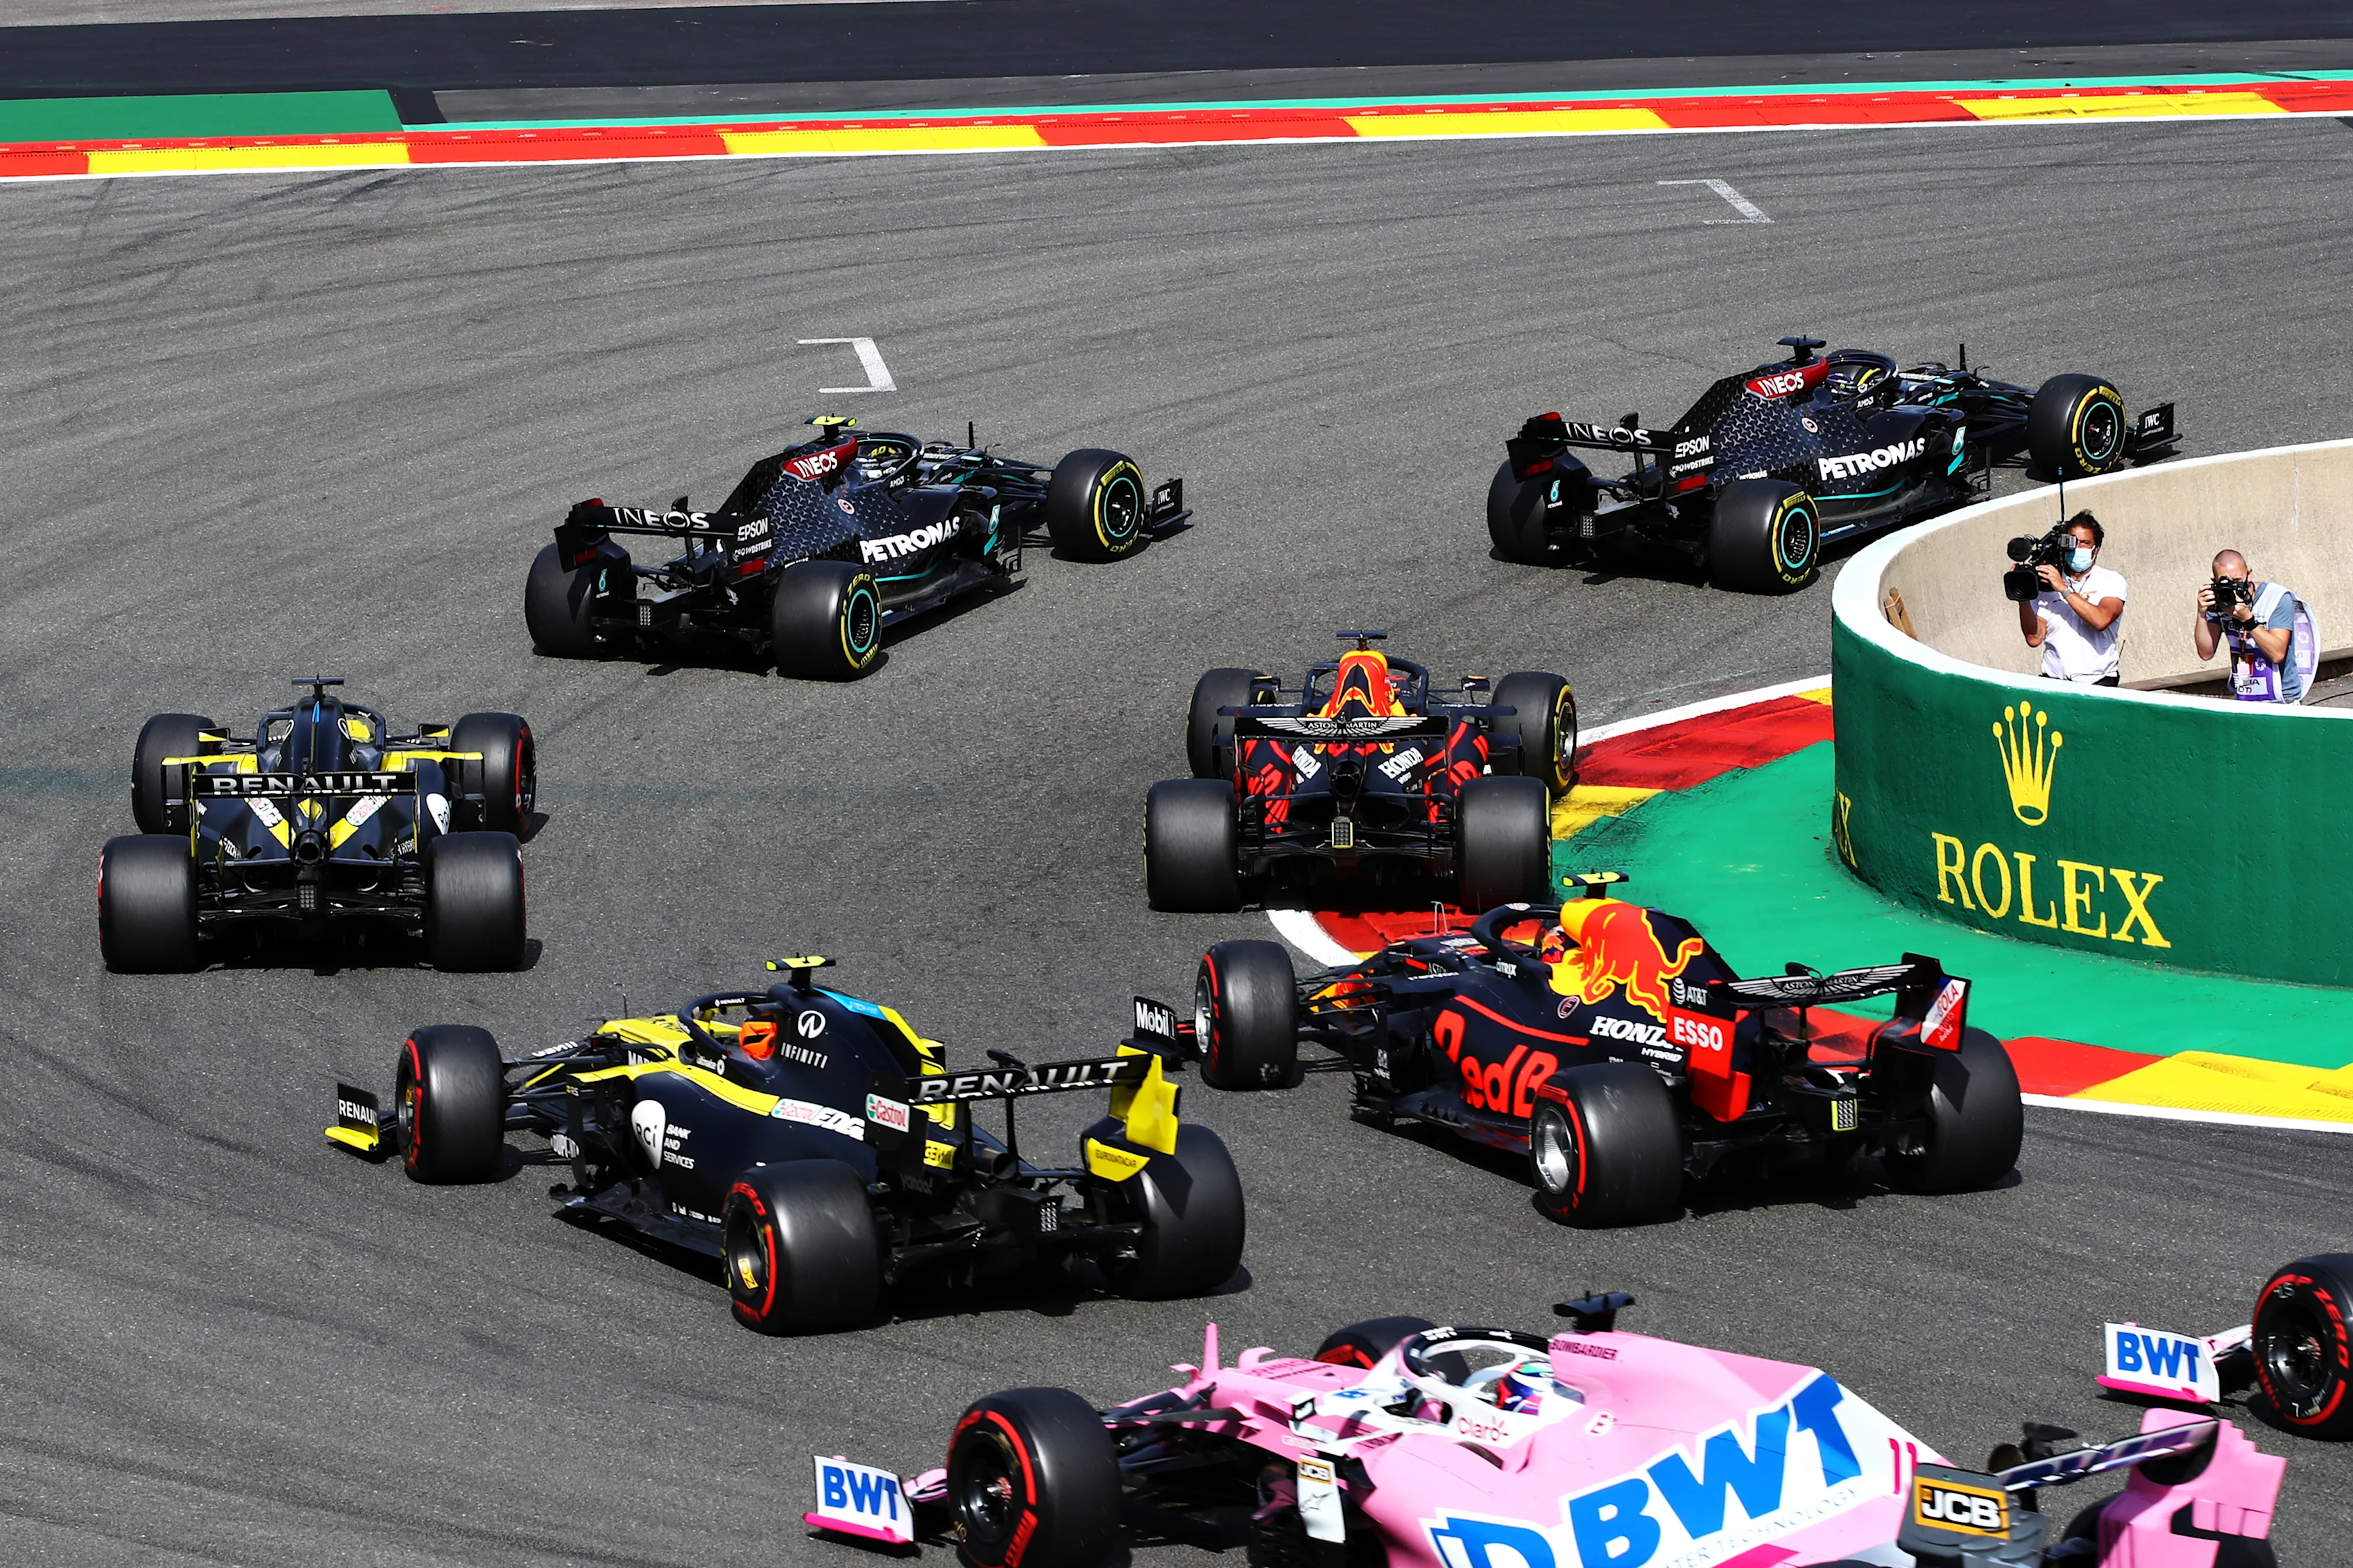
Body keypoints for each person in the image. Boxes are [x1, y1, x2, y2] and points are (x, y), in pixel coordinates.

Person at [2017, 512, 2128, 685]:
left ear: (2096, 550)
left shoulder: (2111, 581)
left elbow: (2101, 620)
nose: (2078, 548)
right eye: (2073, 542)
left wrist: (2063, 588)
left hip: (2098, 681)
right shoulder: (2047, 584)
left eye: (2085, 543)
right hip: (2055, 681)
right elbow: (2034, 638)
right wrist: (2023, 595)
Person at [2196, 550, 2309, 703]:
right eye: (2226, 582)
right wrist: (2201, 614)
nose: (2233, 588)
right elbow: (2206, 653)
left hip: (2282, 697)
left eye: (2237, 580)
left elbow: (2277, 654)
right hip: (2244, 695)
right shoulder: (2219, 601)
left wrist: (2248, 621)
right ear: (2214, 581)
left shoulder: (2276, 598)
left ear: (2249, 575)